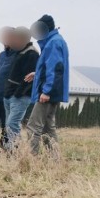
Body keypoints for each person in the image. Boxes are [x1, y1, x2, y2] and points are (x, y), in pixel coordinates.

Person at [27, 14, 69, 154]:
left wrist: (47, 91)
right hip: (52, 91)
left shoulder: (53, 43)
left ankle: (31, 160)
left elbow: (56, 68)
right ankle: (54, 159)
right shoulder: (54, 41)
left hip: (48, 93)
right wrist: (37, 74)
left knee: (33, 126)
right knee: (47, 127)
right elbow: (50, 67)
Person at [3, 27, 39, 150]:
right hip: (9, 94)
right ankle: (10, 148)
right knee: (8, 125)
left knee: (12, 123)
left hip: (20, 96)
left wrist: (17, 93)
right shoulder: (18, 51)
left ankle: (15, 149)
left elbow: (29, 79)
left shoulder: (32, 54)